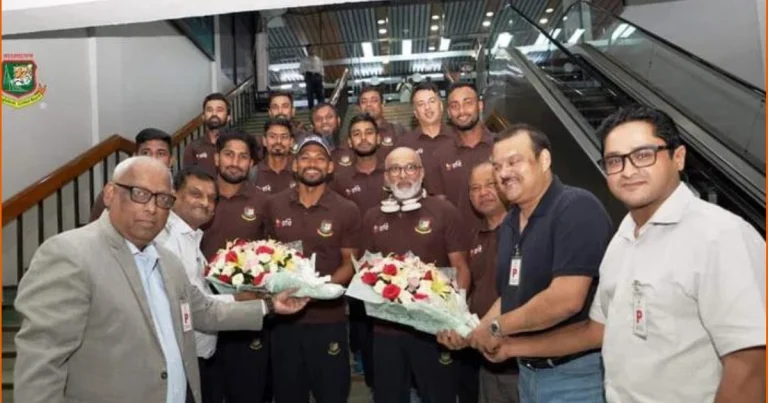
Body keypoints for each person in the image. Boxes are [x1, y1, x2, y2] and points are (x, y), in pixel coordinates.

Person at [486, 106, 767, 403]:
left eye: (644, 155)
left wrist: (497, 327)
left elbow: (751, 362)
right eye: (615, 161)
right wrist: (511, 348)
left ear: (678, 157)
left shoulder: (720, 235)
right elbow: (594, 332)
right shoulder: (623, 241)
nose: (629, 170)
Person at [13, 156, 309, 403]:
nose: (152, 208)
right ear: (110, 193)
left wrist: (270, 306)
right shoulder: (69, 254)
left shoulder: (167, 261)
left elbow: (204, 311)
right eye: (139, 194)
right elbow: (41, 366)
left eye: (163, 199)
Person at [466, 124, 613, 403]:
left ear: (544, 160)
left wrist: (496, 328)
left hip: (575, 377)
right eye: (497, 167)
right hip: (527, 373)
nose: (504, 173)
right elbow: (509, 296)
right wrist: (477, 330)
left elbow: (565, 300)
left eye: (514, 161)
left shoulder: (576, 207)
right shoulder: (510, 221)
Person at [361, 146, 471, 403]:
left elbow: (462, 268)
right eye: (395, 169)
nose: (403, 175)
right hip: (387, 331)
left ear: (421, 173)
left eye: (410, 167)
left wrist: (455, 315)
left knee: (438, 396)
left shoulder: (444, 211)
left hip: (433, 331)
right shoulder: (372, 217)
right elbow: (365, 272)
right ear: (386, 177)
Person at [262, 135, 362, 403]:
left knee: (332, 393)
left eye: (320, 158)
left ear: (330, 167)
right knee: (287, 394)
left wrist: (314, 290)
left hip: (328, 320)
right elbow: (267, 259)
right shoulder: (274, 205)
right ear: (295, 165)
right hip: (283, 321)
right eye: (305, 157)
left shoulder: (347, 209)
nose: (312, 163)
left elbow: (348, 265)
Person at [157, 165, 265, 403]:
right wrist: (245, 301)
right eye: (196, 194)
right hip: (177, 357)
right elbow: (188, 303)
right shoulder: (165, 239)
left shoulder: (192, 237)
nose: (205, 203)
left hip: (196, 354)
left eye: (211, 198)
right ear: (174, 195)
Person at [198, 130, 271, 403]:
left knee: (248, 390)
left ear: (251, 163)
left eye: (243, 157)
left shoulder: (263, 202)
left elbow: (274, 255)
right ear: (216, 158)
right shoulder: (198, 198)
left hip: (245, 310)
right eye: (229, 154)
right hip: (201, 310)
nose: (235, 162)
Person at [445, 162, 518, 403]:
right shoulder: (472, 239)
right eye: (475, 188)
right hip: (484, 359)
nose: (482, 192)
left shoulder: (524, 231)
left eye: (489, 185)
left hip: (519, 358)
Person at [330, 113, 387, 392]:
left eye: (368, 132)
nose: (363, 138)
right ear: (349, 142)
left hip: (394, 272)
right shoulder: (339, 179)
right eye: (357, 133)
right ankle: (374, 385)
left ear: (378, 137)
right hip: (356, 272)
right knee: (365, 336)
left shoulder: (394, 172)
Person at [426, 83, 494, 231]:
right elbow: (440, 210)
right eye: (454, 106)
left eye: (467, 103)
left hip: (505, 240)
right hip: (461, 245)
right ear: (449, 113)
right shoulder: (439, 156)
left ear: (480, 105)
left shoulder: (502, 147)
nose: (462, 111)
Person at [89, 128, 174, 222]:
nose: (153, 159)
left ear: (171, 161)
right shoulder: (115, 191)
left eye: (161, 153)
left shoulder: (179, 194)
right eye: (146, 153)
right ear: (135, 157)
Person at [396, 81, 456, 170]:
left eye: (432, 101)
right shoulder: (404, 145)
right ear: (415, 113)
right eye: (421, 104)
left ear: (441, 106)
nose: (427, 107)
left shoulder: (458, 137)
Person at [183, 93, 233, 177]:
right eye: (209, 110)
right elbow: (188, 179)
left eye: (219, 110)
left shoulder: (238, 144)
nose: (214, 114)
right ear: (203, 117)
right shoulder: (193, 147)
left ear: (228, 117)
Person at [354, 86, 406, 160]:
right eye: (364, 102)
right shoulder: (354, 135)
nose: (368, 104)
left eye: (374, 100)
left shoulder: (397, 131)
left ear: (382, 104)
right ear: (359, 108)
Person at [250, 118, 297, 194]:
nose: (278, 141)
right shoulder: (253, 174)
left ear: (291, 142)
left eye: (284, 137)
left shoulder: (299, 171)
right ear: (264, 141)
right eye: (272, 136)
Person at [299, 44, 325, 109]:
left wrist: (321, 77)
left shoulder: (318, 59)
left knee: (320, 93)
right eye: (309, 49)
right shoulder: (304, 60)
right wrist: (307, 75)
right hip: (309, 76)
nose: (311, 51)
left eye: (312, 49)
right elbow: (301, 70)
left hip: (317, 76)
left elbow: (321, 69)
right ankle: (311, 108)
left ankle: (321, 107)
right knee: (310, 93)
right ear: (307, 50)